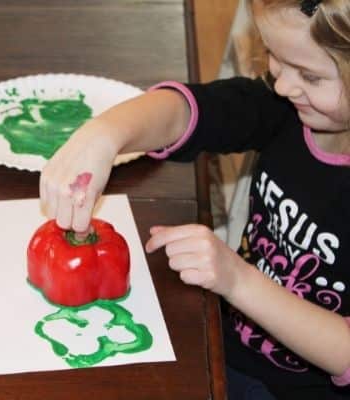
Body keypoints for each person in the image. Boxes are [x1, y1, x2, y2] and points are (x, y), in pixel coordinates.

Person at [39, 0, 350, 398]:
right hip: (228, 344)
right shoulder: (285, 108)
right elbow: (190, 112)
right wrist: (104, 134)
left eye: (309, 75)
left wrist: (237, 280)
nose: (284, 85)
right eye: (274, 56)